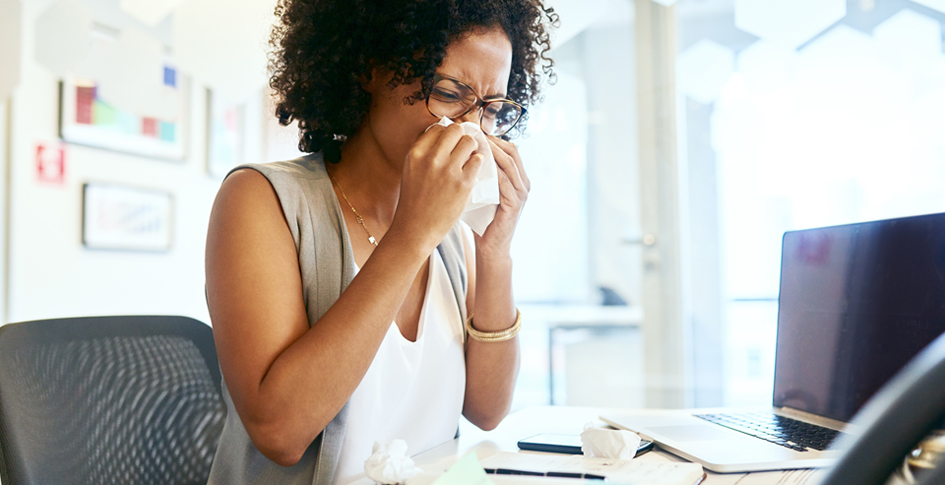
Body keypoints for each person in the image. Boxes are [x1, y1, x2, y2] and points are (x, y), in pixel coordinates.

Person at [204, 1, 556, 484]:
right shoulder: (260, 199)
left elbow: (488, 409)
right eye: (450, 93)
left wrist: (495, 251)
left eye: (492, 109)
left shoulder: (453, 233)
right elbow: (280, 433)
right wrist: (411, 236)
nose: (473, 129)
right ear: (372, 68)